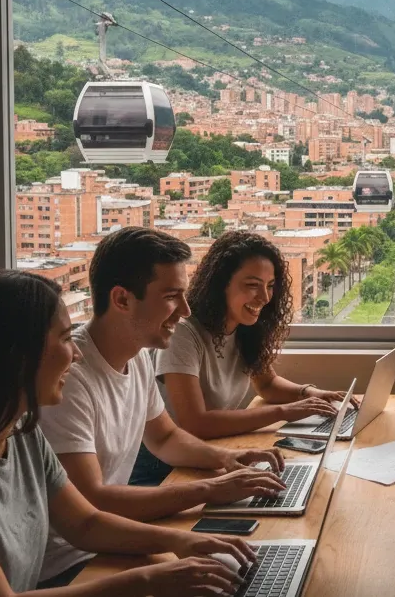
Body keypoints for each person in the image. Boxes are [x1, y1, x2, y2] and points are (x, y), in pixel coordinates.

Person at [0, 269, 256, 596]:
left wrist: (184, 541)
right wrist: (149, 579)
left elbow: (84, 523)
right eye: (64, 338)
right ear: (17, 354)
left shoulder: (22, 430)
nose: (75, 354)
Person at [38, 227, 286, 587]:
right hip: (71, 564)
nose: (185, 310)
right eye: (172, 296)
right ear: (122, 299)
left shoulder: (137, 356)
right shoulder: (69, 377)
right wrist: (209, 490)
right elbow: (93, 500)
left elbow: (166, 436)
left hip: (113, 540)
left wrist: (228, 460)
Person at [156, 231, 354, 441]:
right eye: (252, 285)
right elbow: (196, 424)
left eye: (269, 286)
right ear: (220, 284)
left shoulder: (244, 326)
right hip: (167, 469)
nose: (265, 297)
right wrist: (285, 412)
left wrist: (310, 394)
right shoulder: (183, 333)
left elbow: (267, 385)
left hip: (213, 449)